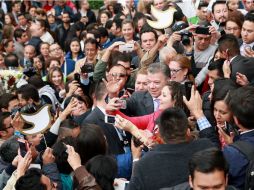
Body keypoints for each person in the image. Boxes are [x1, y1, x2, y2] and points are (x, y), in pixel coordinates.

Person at [127, 107, 215, 190]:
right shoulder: (206, 147)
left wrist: (135, 158)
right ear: (187, 131)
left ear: (160, 135)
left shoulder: (144, 164)